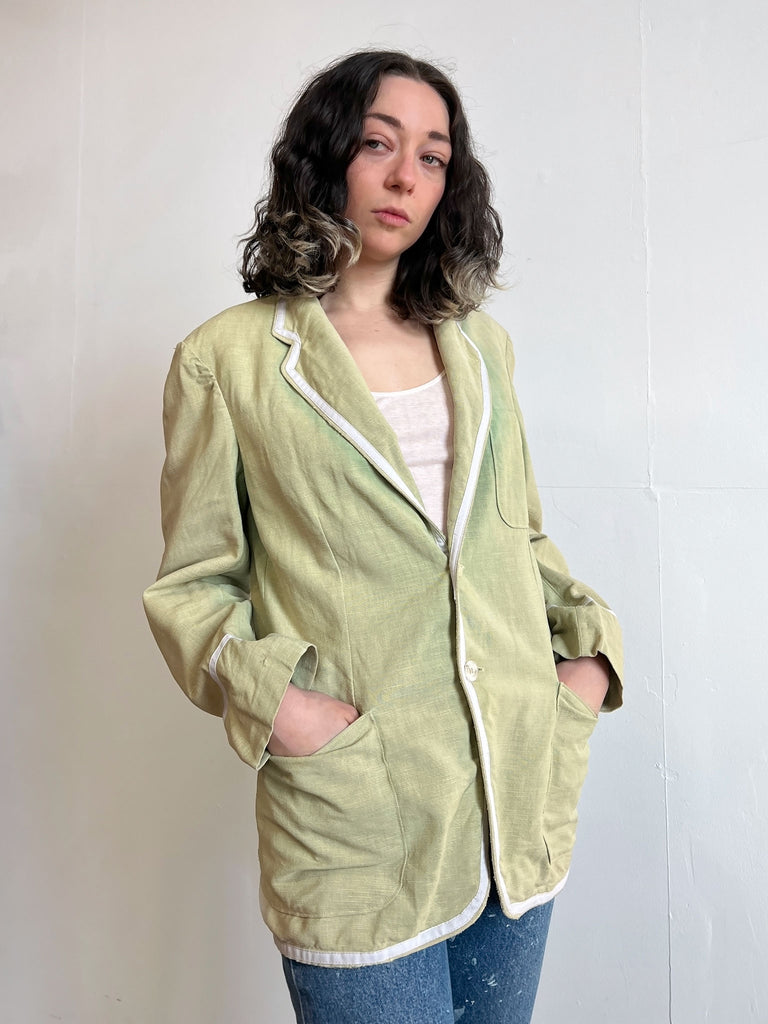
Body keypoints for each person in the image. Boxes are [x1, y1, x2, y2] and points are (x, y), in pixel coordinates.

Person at [143, 49, 623, 1024]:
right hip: (359, 823)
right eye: (379, 144)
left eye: (434, 156)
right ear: (327, 157)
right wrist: (284, 709)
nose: (407, 176)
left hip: (513, 794)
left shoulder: (481, 347)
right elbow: (193, 586)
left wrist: (588, 663)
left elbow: (517, 537)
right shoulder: (226, 361)